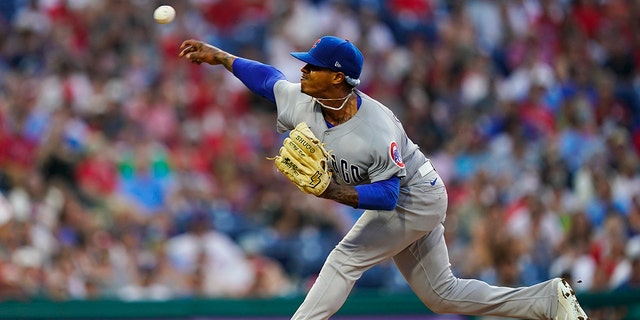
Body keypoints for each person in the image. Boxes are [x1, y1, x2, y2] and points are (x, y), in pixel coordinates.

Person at [179, 35, 590, 320]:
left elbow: (389, 196)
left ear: (337, 77)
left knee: (345, 257)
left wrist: (332, 191)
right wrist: (222, 57)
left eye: (313, 67)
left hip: (417, 196)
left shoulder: (376, 129)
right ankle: (547, 301)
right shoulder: (304, 98)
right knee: (441, 295)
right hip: (407, 197)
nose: (302, 70)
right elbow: (267, 79)